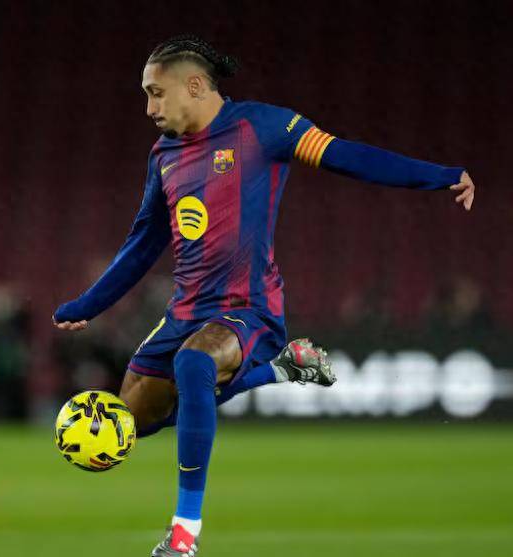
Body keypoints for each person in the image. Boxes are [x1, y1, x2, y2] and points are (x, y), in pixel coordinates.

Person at [53, 35, 476, 556]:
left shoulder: (264, 127)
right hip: (185, 309)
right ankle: (282, 370)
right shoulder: (164, 155)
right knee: (131, 423)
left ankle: (184, 532)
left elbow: (347, 155)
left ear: (194, 85)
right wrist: (88, 304)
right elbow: (143, 243)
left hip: (248, 308)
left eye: (155, 93)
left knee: (193, 364)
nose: (149, 108)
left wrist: (440, 176)